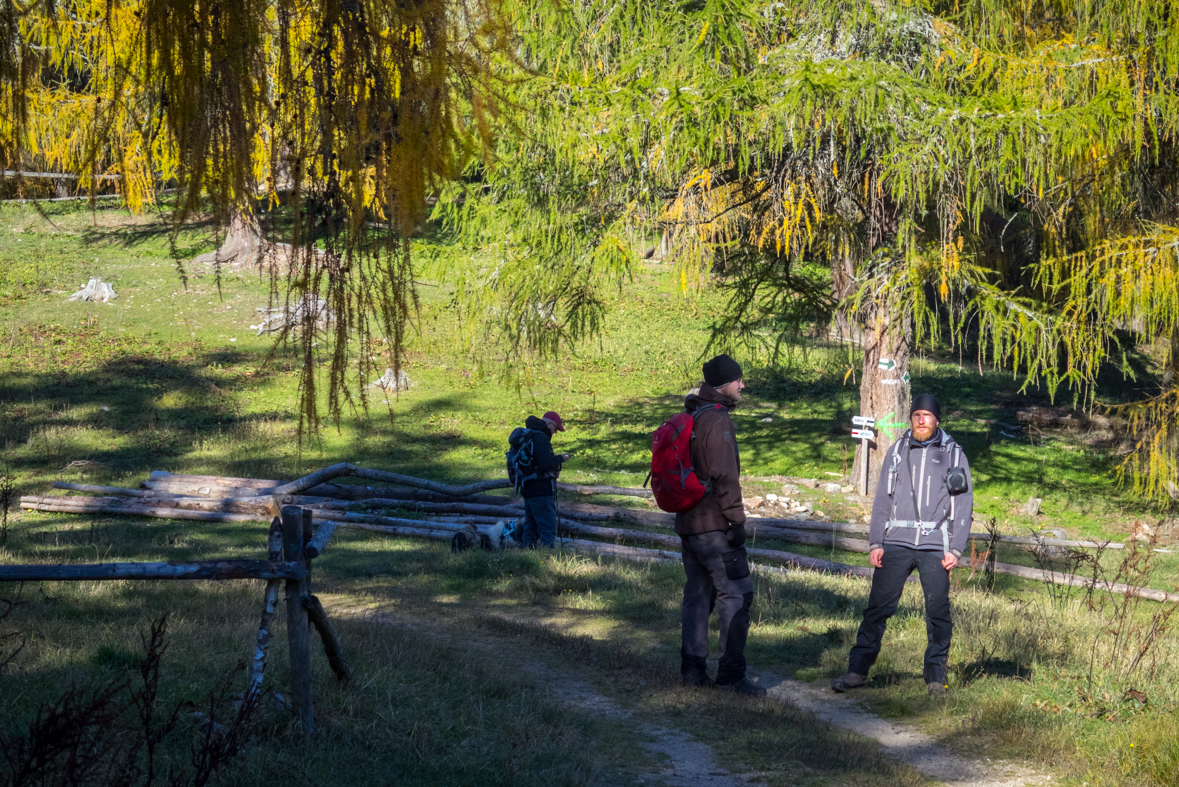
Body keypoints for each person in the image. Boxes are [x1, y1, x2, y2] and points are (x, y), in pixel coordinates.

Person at [832, 394, 974, 696]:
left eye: (927, 415)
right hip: (896, 541)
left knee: (938, 610)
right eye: (916, 415)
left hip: (937, 544)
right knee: (877, 609)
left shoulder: (953, 454)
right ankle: (857, 671)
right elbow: (883, 498)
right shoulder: (897, 451)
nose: (921, 420)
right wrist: (875, 542)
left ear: (937, 420)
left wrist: (956, 548)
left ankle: (936, 677)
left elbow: (963, 504)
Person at [676, 354, 766, 697]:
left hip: (688, 524)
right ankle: (730, 676)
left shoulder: (692, 414)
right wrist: (737, 521)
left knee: (698, 595)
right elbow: (726, 478)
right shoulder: (718, 421)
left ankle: (692, 670)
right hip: (715, 526)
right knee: (738, 596)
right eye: (737, 379)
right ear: (721, 385)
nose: (742, 385)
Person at [514, 410, 570, 548]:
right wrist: (560, 459)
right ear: (550, 424)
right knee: (548, 527)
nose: (555, 432)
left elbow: (537, 464)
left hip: (527, 487)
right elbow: (545, 464)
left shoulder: (529, 435)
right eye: (556, 428)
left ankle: (527, 558)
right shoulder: (541, 438)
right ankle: (546, 560)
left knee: (530, 526)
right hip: (541, 490)